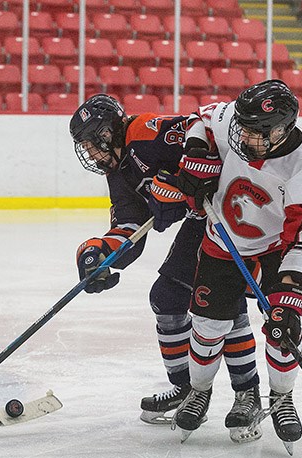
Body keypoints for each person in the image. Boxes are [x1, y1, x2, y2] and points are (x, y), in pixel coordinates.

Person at [69, 94, 262, 440]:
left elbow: (197, 129)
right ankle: (188, 388)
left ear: (109, 132)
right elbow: (130, 225)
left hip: (229, 213)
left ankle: (247, 392)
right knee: (167, 297)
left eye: (92, 144)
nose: (93, 155)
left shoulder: (143, 131)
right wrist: (100, 252)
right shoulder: (118, 172)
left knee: (222, 301)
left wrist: (183, 177)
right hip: (202, 220)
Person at [163, 79, 302, 449]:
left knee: (282, 331)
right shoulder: (237, 122)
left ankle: (282, 397)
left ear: (283, 129)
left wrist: (288, 299)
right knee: (209, 325)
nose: (244, 137)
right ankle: (200, 390)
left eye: (257, 132)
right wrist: (197, 154)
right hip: (222, 239)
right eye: (243, 126)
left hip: (277, 250)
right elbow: (201, 119)